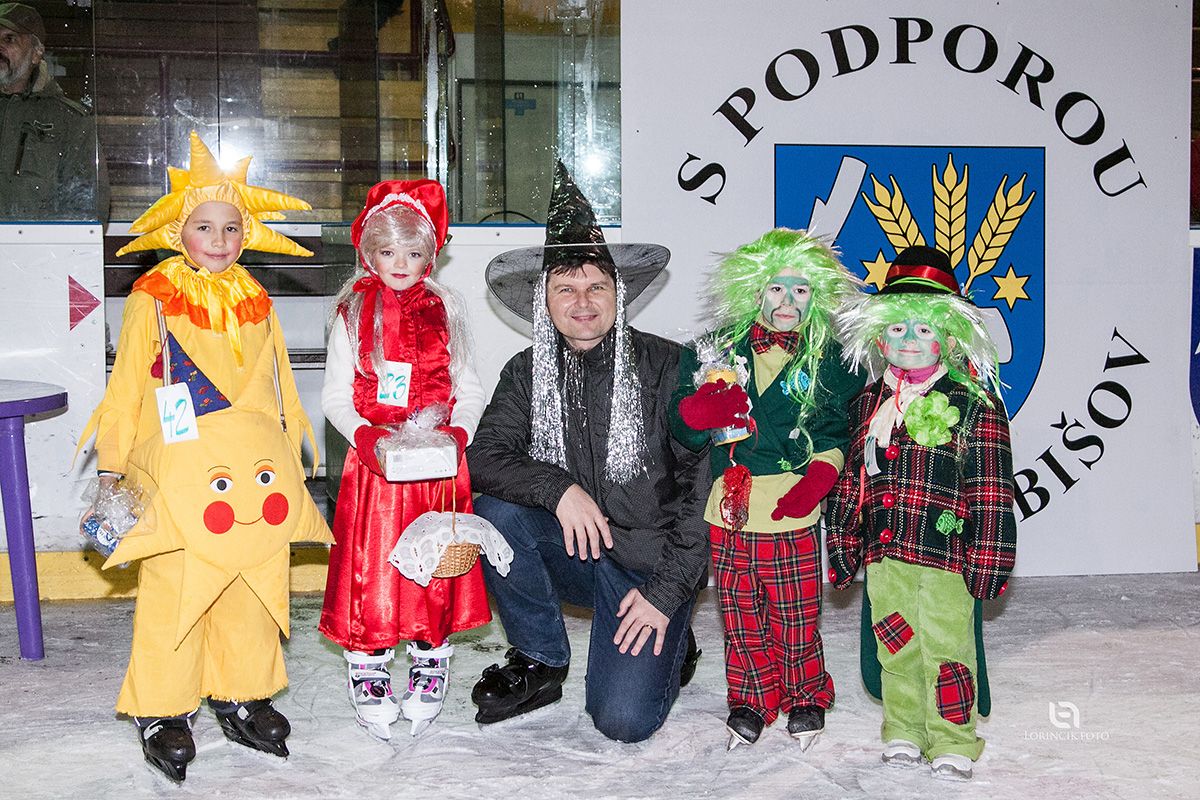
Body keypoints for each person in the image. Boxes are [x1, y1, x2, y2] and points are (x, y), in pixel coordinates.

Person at [76, 131, 331, 782]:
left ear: (247, 235)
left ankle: (243, 691)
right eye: (204, 226)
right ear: (177, 230)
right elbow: (126, 390)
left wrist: (288, 459)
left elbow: (276, 389)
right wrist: (111, 469)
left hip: (252, 475)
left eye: (231, 227)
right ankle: (163, 707)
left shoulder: (257, 301)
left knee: (251, 584)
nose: (219, 239)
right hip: (183, 473)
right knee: (177, 588)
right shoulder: (154, 299)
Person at [466, 161, 710, 743]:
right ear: (544, 301)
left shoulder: (672, 366)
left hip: (651, 566)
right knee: (493, 513)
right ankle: (540, 657)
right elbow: (483, 457)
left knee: (622, 720)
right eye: (566, 288)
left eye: (596, 286)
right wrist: (560, 490)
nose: (582, 301)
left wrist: (665, 595)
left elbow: (706, 492)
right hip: (577, 551)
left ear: (618, 293)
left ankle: (674, 635)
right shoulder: (527, 371)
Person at [824, 245, 1017, 781]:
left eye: (925, 329)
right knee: (896, 644)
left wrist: (990, 559)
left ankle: (953, 737)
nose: (909, 339)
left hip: (946, 557)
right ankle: (904, 727)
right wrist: (843, 542)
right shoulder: (867, 403)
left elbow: (992, 489)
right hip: (886, 555)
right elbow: (852, 479)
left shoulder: (975, 403)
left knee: (947, 648)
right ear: (878, 337)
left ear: (949, 338)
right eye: (897, 328)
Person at [671, 229, 864, 750]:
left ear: (817, 296)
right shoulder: (713, 350)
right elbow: (680, 426)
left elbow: (834, 432)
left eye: (801, 290)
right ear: (754, 291)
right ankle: (752, 697)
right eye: (777, 289)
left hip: (791, 506)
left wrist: (820, 478)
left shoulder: (829, 360)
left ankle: (805, 693)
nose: (788, 302)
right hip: (730, 506)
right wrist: (695, 414)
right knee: (739, 614)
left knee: (796, 612)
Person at [319, 179, 491, 740]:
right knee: (372, 570)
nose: (400, 264)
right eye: (388, 251)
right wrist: (366, 437)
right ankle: (369, 667)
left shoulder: (446, 310)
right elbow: (335, 397)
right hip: (376, 469)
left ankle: (429, 659)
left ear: (430, 255)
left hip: (438, 470)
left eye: (413, 253)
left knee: (438, 565)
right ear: (368, 252)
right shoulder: (351, 313)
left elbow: (469, 388)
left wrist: (457, 434)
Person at [0, 2, 109, 221]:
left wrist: (40, 239)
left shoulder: (69, 121)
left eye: (9, 39)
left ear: (36, 53)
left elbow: (88, 207)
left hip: (35, 242)